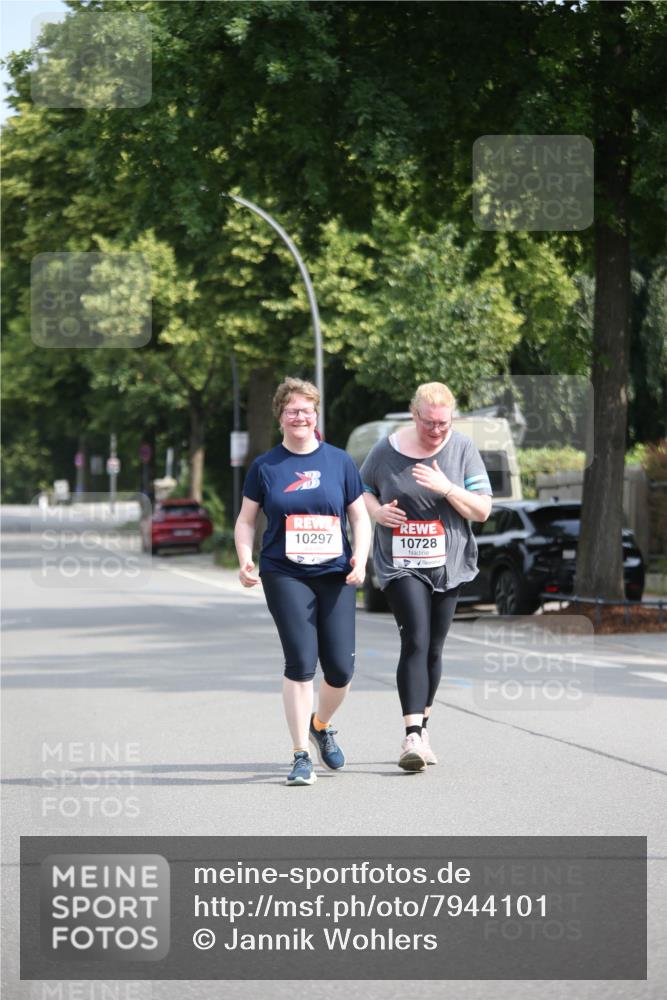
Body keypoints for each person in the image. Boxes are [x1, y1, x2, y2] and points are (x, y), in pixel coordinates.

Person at [234, 377, 371, 786]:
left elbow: (360, 516)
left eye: (307, 410)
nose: (300, 416)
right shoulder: (265, 466)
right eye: (292, 410)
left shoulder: (340, 462)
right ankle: (299, 756)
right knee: (300, 661)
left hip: (335, 574)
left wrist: (360, 559)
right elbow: (245, 521)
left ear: (316, 415)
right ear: (281, 416)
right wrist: (245, 560)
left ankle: (321, 725)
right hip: (285, 572)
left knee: (341, 669)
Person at [360, 382, 492, 772]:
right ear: (414, 414)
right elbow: (361, 489)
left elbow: (482, 510)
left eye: (444, 423)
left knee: (434, 646)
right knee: (414, 637)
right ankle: (412, 735)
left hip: (448, 561)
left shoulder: (463, 448)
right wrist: (377, 512)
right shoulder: (387, 449)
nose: (436, 430)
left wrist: (447, 487)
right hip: (401, 561)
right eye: (429, 422)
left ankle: (424, 728)